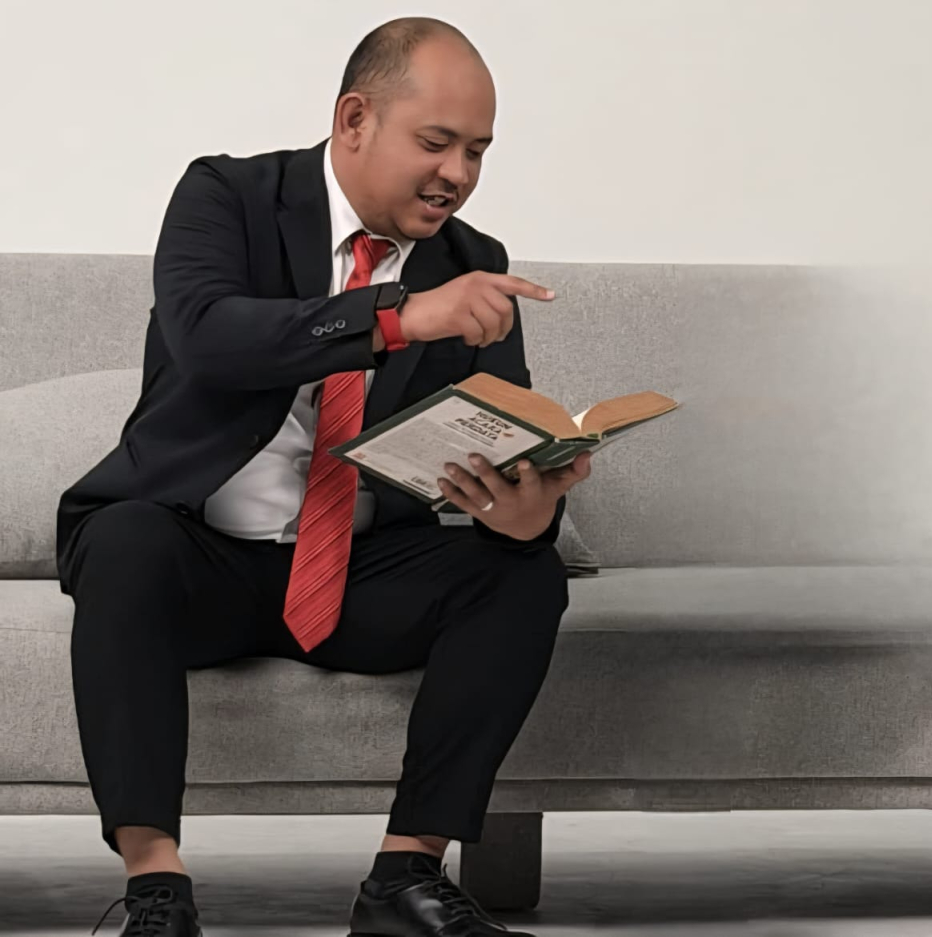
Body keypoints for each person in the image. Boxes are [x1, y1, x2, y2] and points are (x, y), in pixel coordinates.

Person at [58, 17, 591, 937]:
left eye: (476, 151)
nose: (458, 174)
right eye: (436, 142)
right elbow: (209, 336)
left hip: (358, 568)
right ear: (354, 120)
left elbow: (503, 427)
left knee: (523, 575)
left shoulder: (473, 263)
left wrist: (526, 512)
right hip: (199, 553)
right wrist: (395, 318)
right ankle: (156, 888)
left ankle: (405, 879)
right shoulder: (226, 195)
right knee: (124, 540)